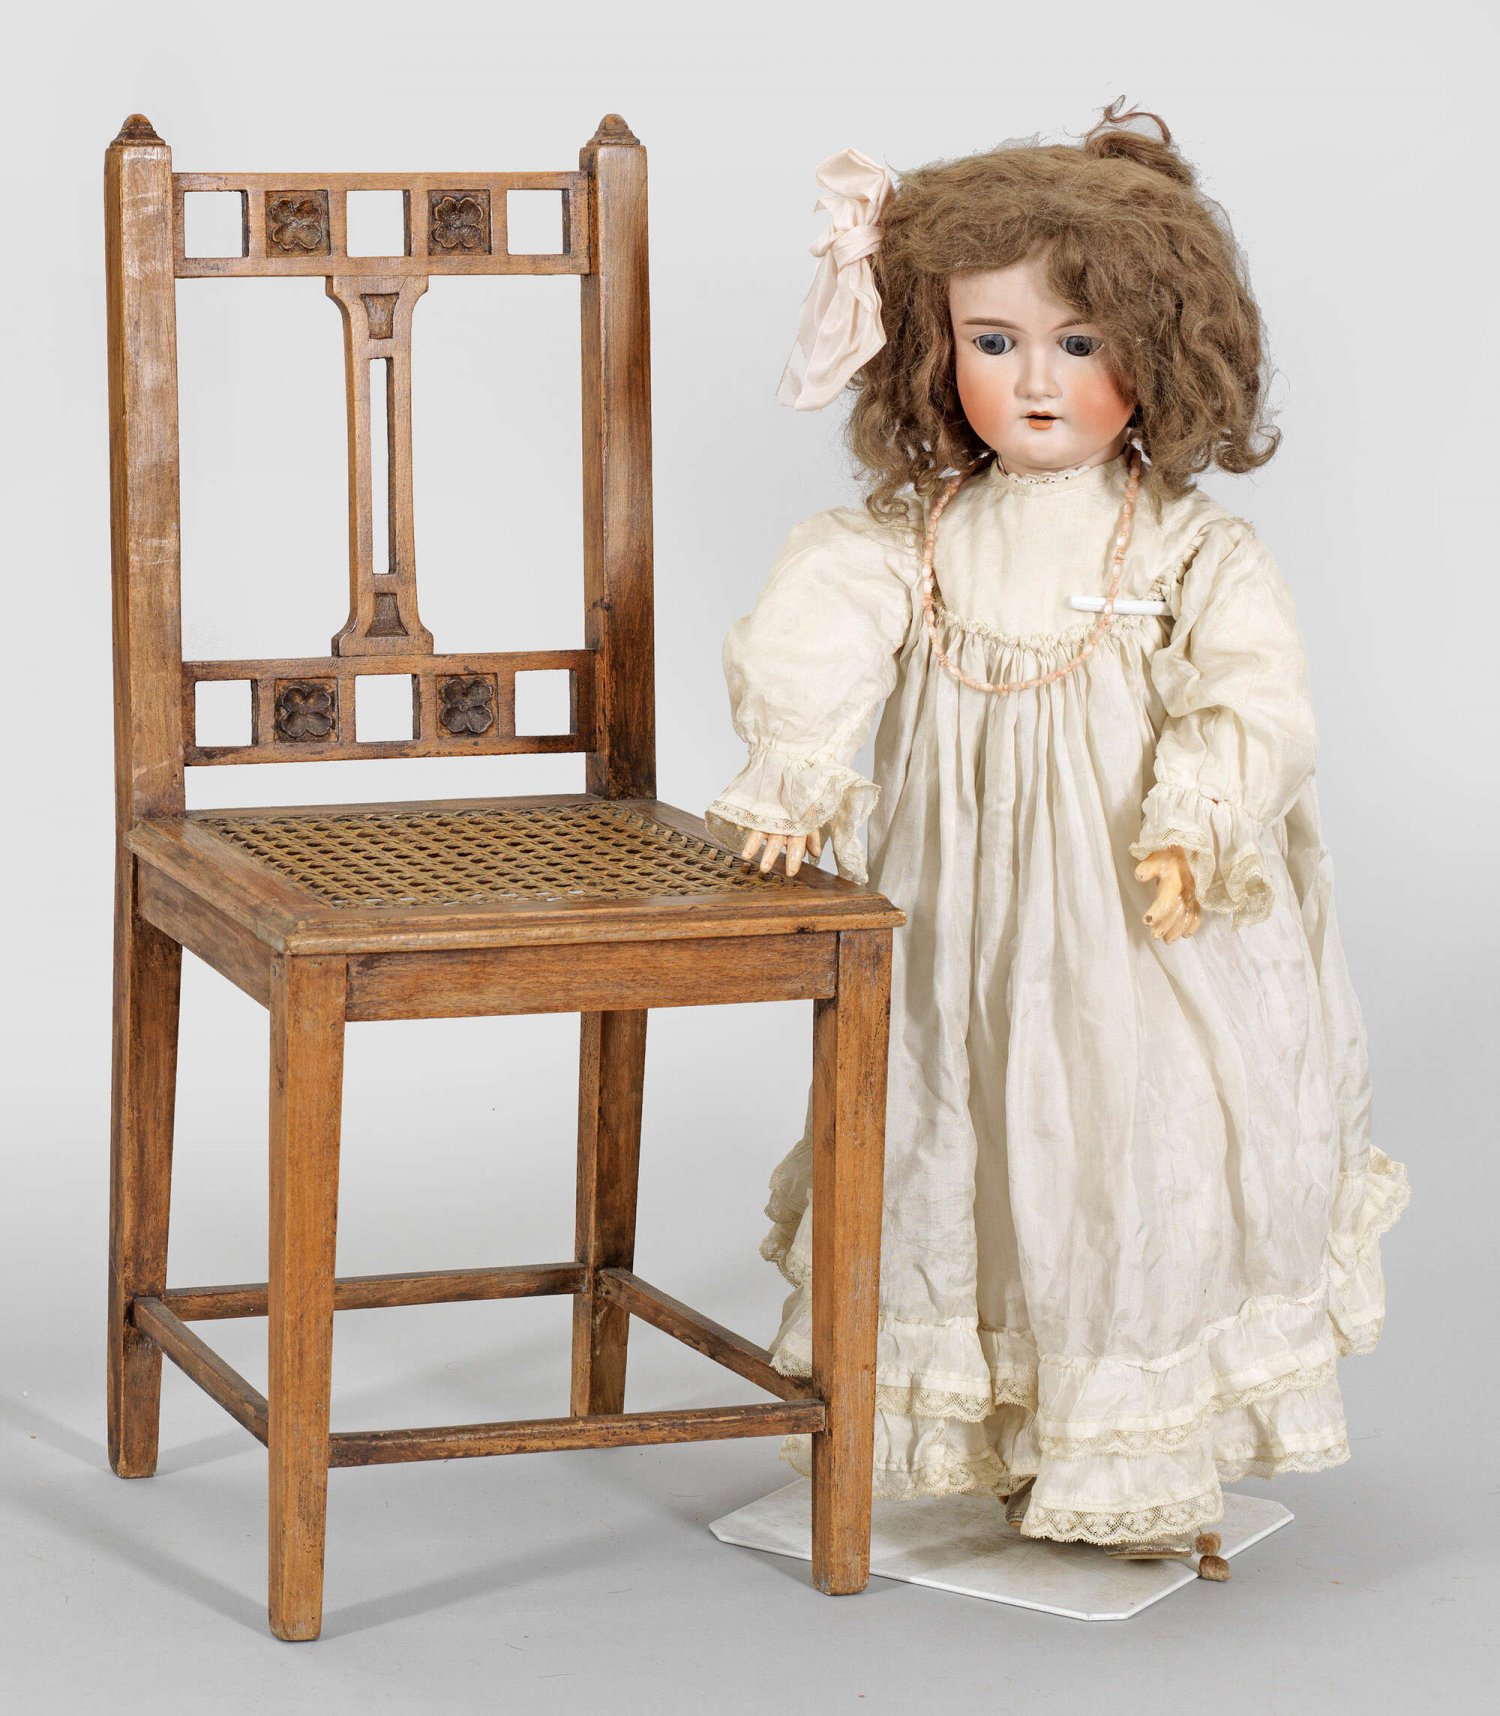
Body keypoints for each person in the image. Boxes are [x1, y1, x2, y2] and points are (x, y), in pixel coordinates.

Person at [703, 103, 1408, 1565]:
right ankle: (993, 1431)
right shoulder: (917, 537)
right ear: (932, 349)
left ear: (1163, 351)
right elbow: (822, 622)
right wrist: (798, 767)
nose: (1033, 380)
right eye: (994, 340)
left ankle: (1128, 1449)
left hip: (1130, 922)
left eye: (1078, 343)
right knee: (960, 1135)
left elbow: (1255, 696)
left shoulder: (1186, 547)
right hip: (957, 919)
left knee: (1125, 1140)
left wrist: (1196, 818)